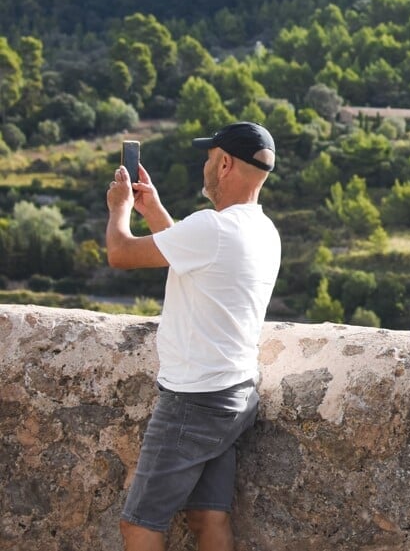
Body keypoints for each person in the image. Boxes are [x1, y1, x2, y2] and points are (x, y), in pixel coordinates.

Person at [105, 121, 281, 551]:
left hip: (193, 399)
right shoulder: (263, 231)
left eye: (208, 158)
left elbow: (120, 253)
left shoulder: (213, 228)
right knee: (207, 516)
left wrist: (120, 209)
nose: (204, 166)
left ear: (224, 164)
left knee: (140, 524)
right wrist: (154, 211)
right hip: (235, 393)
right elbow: (192, 253)